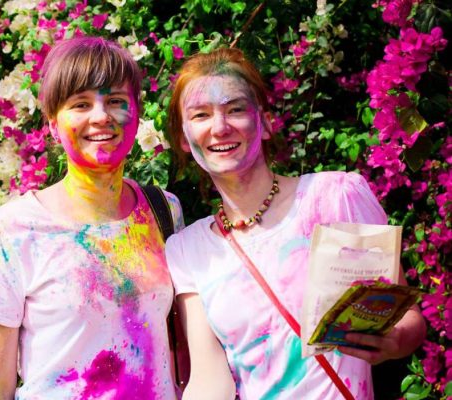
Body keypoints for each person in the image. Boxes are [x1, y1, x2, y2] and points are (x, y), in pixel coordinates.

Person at [164, 48, 427, 399]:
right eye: (200, 115)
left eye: (236, 109)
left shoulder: (335, 197)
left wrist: (393, 342)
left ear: (266, 122)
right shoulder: (188, 249)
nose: (220, 127)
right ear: (184, 138)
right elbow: (210, 379)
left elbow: (408, 316)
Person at [0, 36, 184, 399]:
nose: (101, 117)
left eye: (115, 101)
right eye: (80, 104)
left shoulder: (163, 211)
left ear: (137, 112)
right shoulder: (11, 233)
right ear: (53, 124)